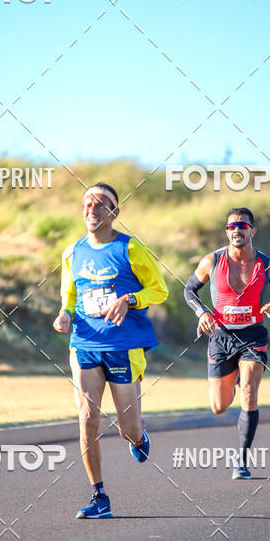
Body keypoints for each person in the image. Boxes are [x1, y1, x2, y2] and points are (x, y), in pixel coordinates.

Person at [53, 182, 168, 518]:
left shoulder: (131, 249)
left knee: (126, 428)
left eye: (102, 204)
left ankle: (138, 436)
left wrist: (130, 299)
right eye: (88, 203)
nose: (93, 208)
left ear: (115, 212)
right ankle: (98, 496)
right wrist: (64, 314)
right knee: (88, 418)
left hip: (124, 346)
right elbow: (70, 296)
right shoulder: (72, 252)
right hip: (85, 342)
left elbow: (158, 290)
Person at [183, 208, 270, 479]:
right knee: (219, 406)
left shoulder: (269, 265)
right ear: (227, 232)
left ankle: (241, 461)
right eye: (232, 226)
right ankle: (236, 375)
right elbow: (189, 290)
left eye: (242, 225)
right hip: (221, 337)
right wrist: (202, 312)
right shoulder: (212, 261)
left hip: (252, 336)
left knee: (249, 393)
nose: (237, 230)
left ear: (252, 230)